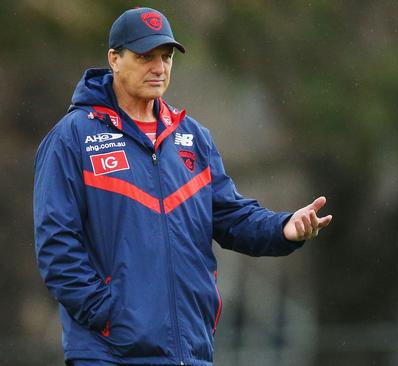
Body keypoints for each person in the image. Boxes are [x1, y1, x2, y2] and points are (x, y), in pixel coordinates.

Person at [33, 7, 332, 366]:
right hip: (109, 354)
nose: (159, 68)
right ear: (114, 58)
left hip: (189, 351)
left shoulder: (193, 138)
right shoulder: (73, 137)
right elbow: (56, 243)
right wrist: (107, 315)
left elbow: (231, 217)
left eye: (166, 57)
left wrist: (284, 228)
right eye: (145, 56)